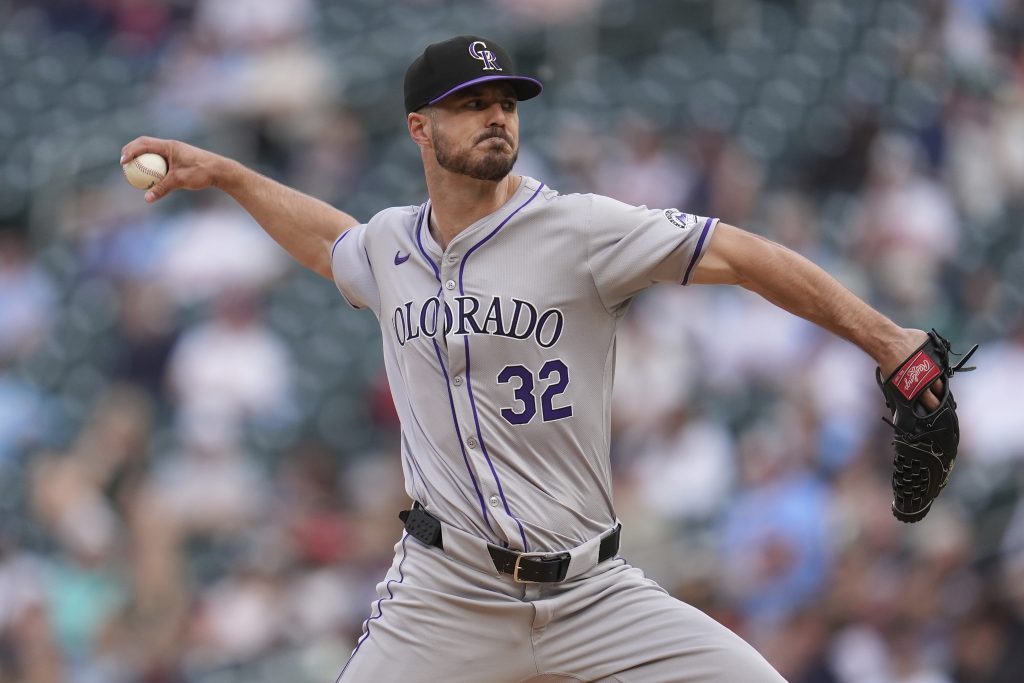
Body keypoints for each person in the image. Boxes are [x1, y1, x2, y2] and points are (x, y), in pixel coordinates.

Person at [121, 34, 945, 683]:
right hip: (448, 593)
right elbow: (329, 240)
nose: (496, 116)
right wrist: (227, 174)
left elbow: (742, 255)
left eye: (506, 102)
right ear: (419, 127)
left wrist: (887, 339)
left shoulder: (581, 230)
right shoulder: (390, 248)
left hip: (593, 587)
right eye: (471, 103)